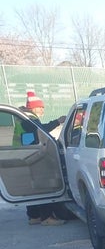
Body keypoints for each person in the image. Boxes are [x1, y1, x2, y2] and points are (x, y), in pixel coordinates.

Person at [19, 91, 67, 226]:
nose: (42, 109)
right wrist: (57, 121)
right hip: (33, 156)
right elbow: (41, 130)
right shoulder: (29, 119)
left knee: (33, 188)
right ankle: (46, 217)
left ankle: (34, 216)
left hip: (26, 155)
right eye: (40, 107)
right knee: (43, 186)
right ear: (33, 107)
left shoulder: (22, 117)